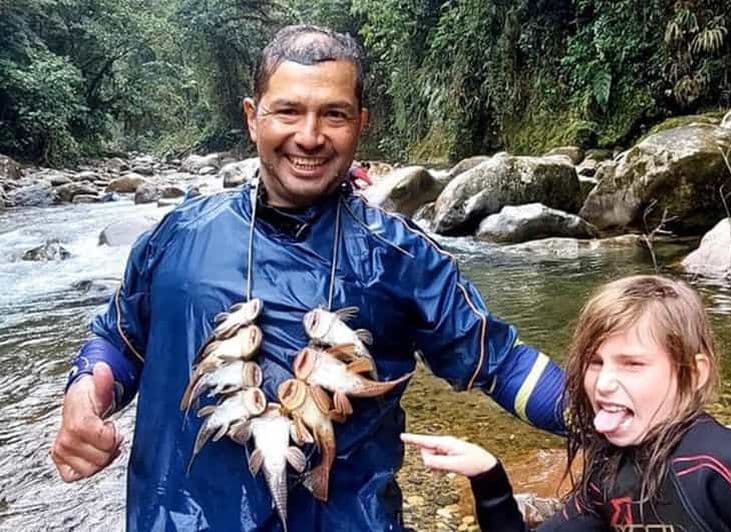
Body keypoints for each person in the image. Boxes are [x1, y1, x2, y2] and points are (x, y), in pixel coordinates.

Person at [49, 25, 567, 531]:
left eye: (334, 114)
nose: (310, 136)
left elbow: (503, 363)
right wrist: (83, 399)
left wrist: (620, 405)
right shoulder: (179, 235)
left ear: (361, 123)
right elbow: (117, 340)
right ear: (254, 118)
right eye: (289, 111)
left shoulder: (402, 257)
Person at [404, 274, 731, 531]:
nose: (604, 384)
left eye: (632, 364)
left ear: (693, 374)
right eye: (595, 363)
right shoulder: (610, 473)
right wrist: (488, 478)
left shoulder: (730, 468)